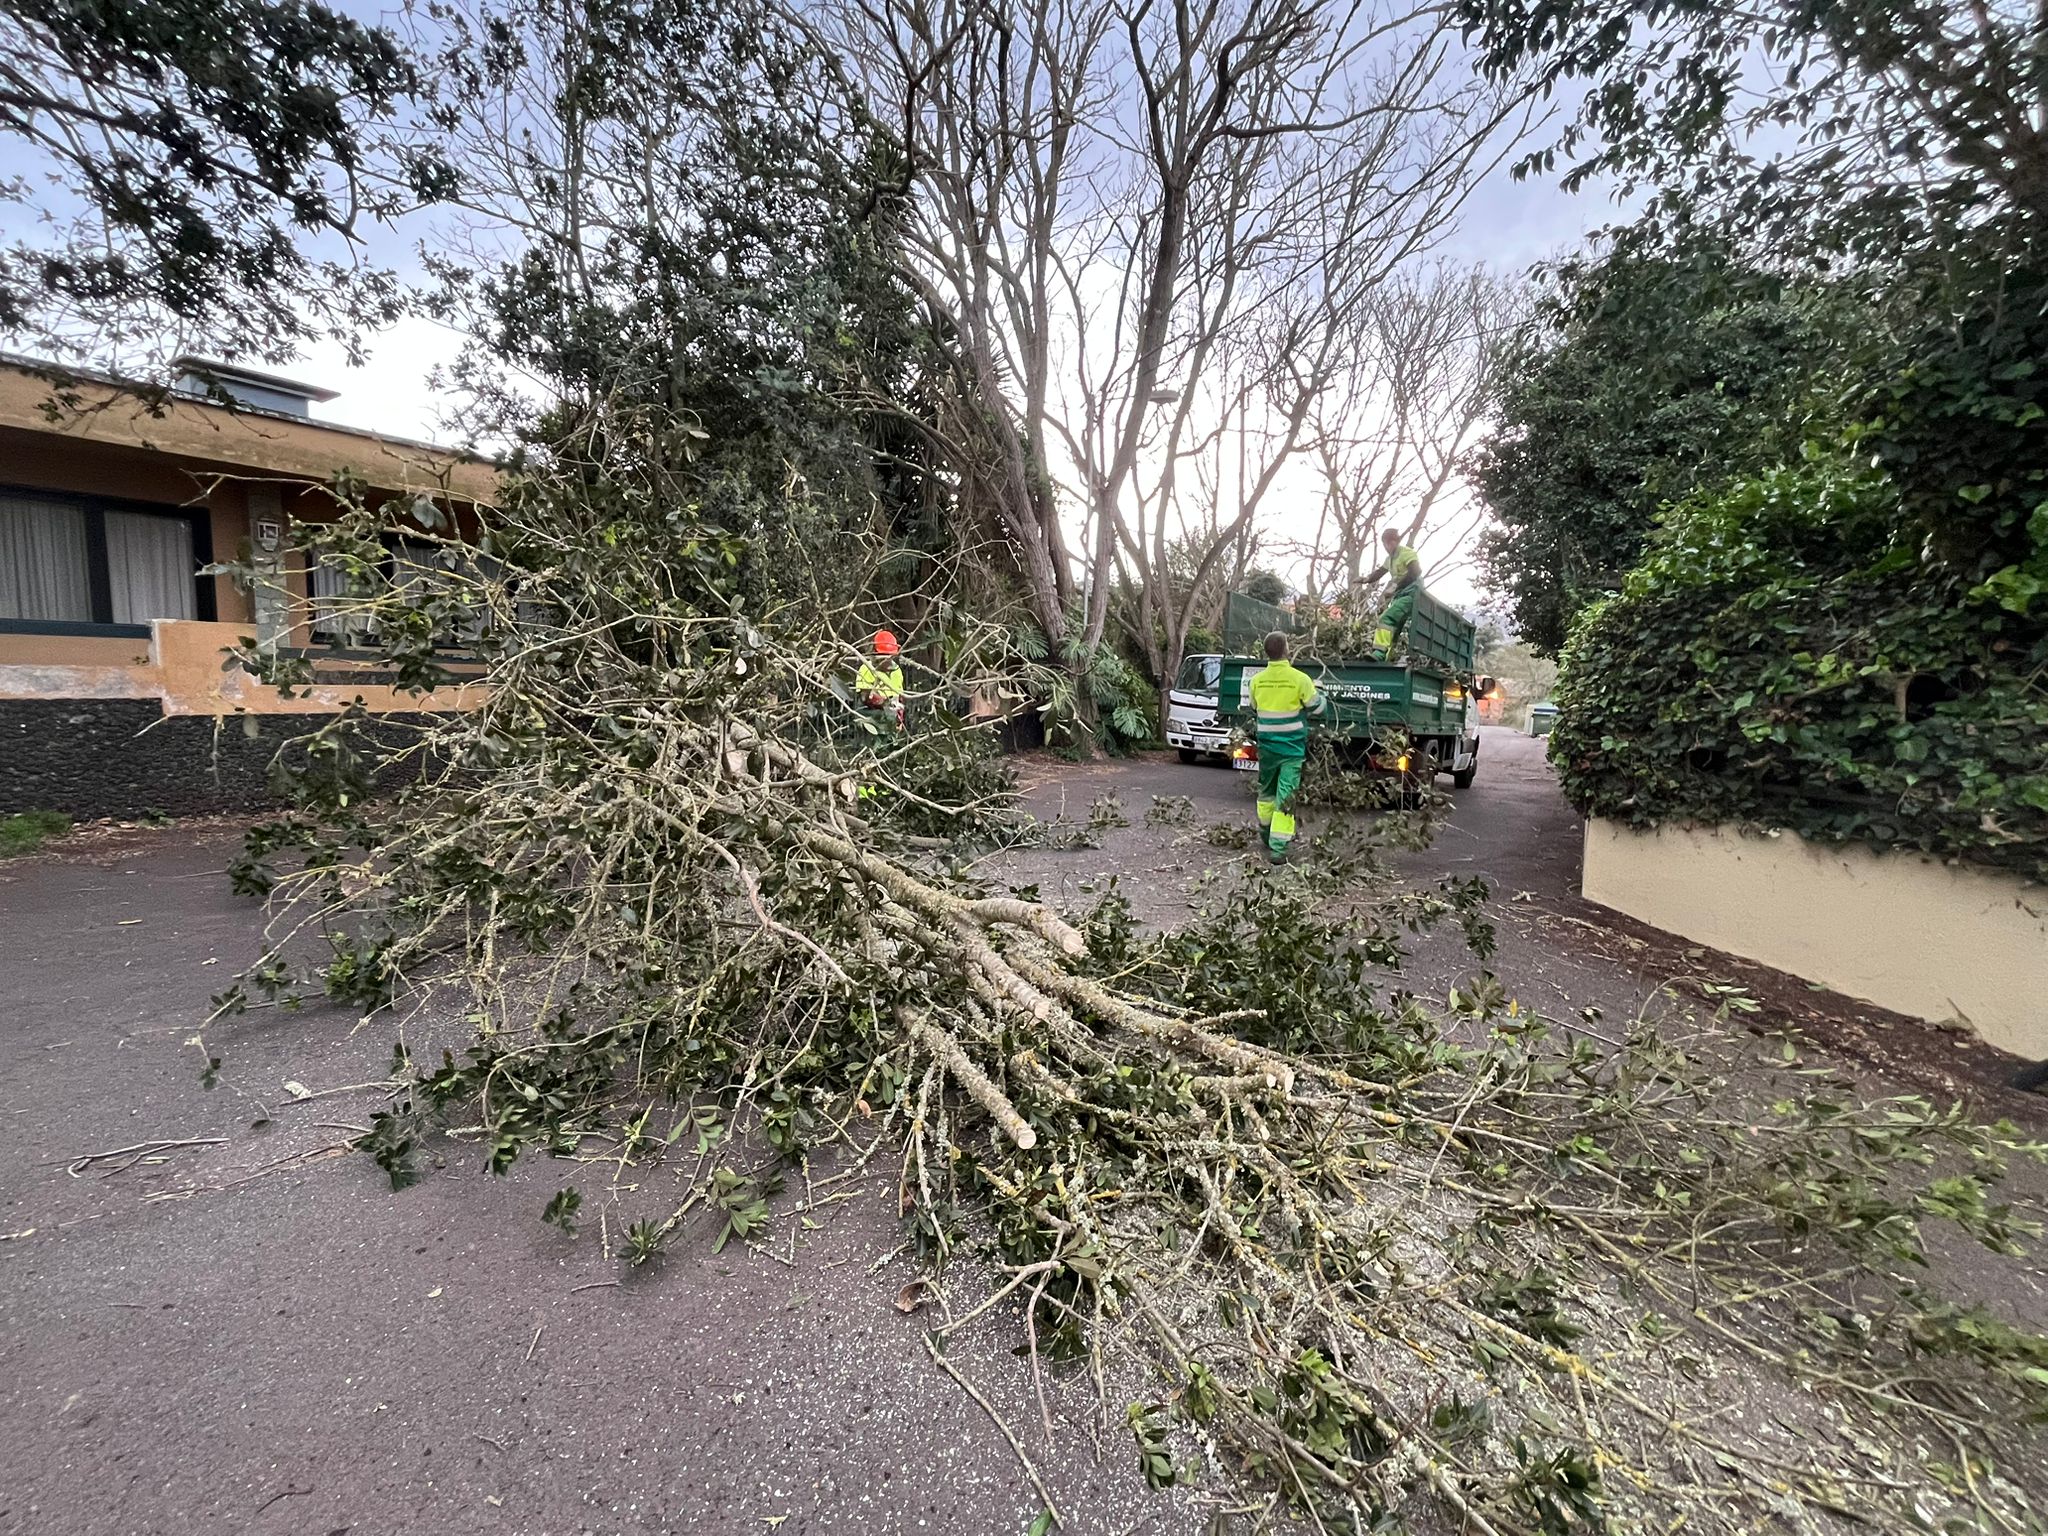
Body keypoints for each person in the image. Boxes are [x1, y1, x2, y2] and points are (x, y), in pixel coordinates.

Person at [1247, 630, 1324, 863]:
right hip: (1291, 749)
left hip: (1267, 748)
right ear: (1287, 649)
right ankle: (1278, 848)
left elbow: (1254, 707)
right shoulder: (1300, 679)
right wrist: (1321, 694)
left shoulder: (1256, 681)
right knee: (1286, 796)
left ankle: (1265, 832)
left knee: (1267, 791)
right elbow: (1317, 708)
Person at [1362, 527, 1423, 660]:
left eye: (1388, 543)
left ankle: (1378, 653)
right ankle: (1388, 658)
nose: (1386, 547)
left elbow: (1416, 572)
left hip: (1411, 594)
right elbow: (1380, 572)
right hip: (1400, 595)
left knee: (1386, 619)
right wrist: (1366, 579)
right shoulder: (1390, 559)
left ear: (1395, 542)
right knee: (1394, 629)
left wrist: (1395, 586)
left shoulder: (1406, 553)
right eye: (1385, 544)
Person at [855, 629, 906, 732]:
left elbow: (900, 696)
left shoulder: (896, 671)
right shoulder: (866, 669)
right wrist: (885, 702)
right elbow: (865, 697)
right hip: (871, 717)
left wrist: (899, 718)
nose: (887, 660)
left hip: (891, 717)